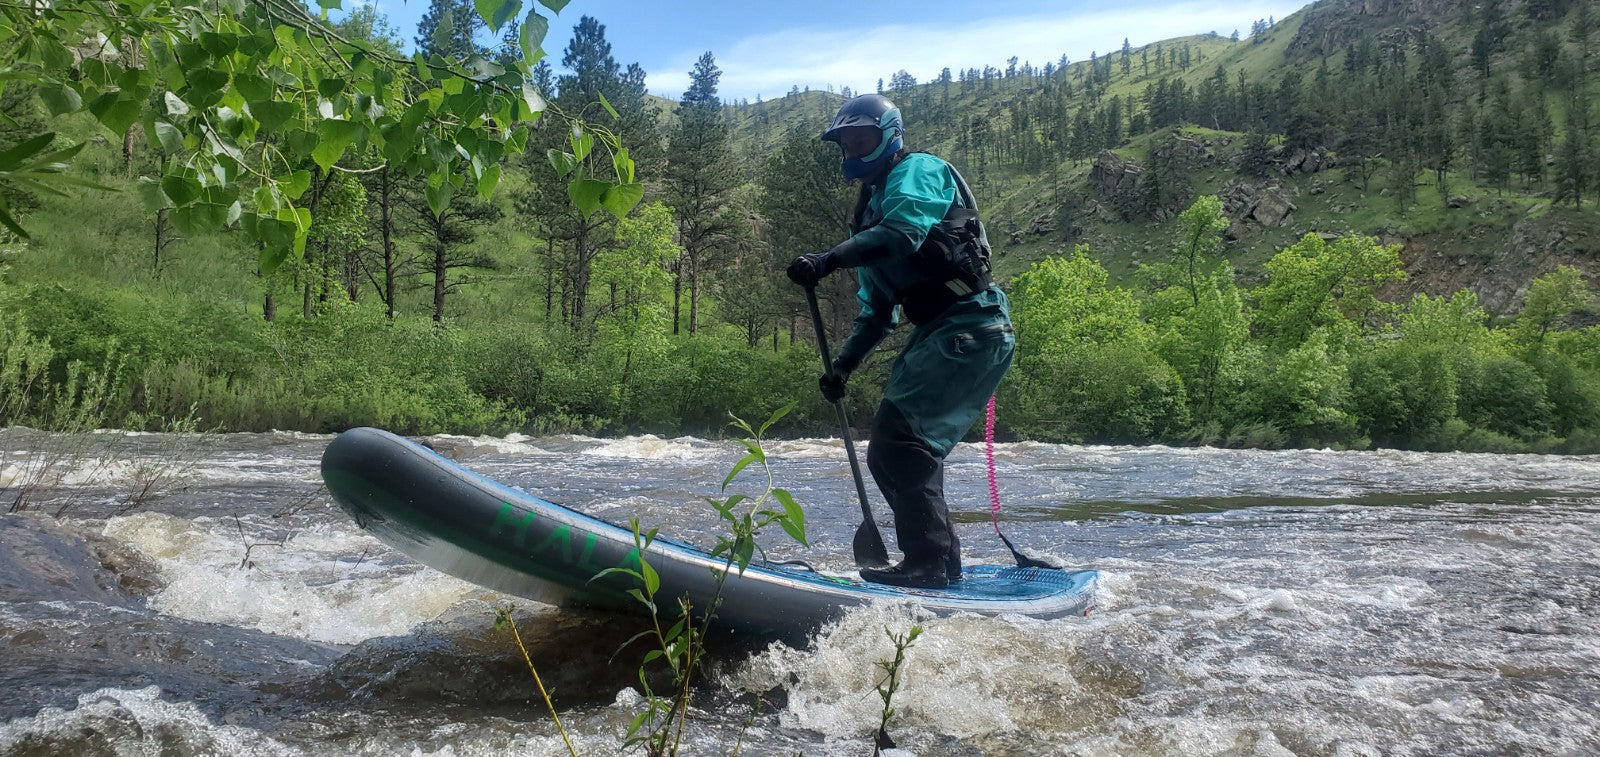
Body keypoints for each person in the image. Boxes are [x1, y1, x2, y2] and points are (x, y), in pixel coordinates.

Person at [786, 94, 1015, 589]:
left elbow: (905, 232)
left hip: (970, 323)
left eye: (861, 140)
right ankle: (941, 562)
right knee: (889, 451)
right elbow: (877, 314)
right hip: (943, 331)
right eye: (845, 144)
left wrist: (829, 259)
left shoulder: (917, 171)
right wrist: (842, 368)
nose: (851, 151)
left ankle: (926, 564)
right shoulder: (868, 219)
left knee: (902, 446)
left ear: (888, 137)